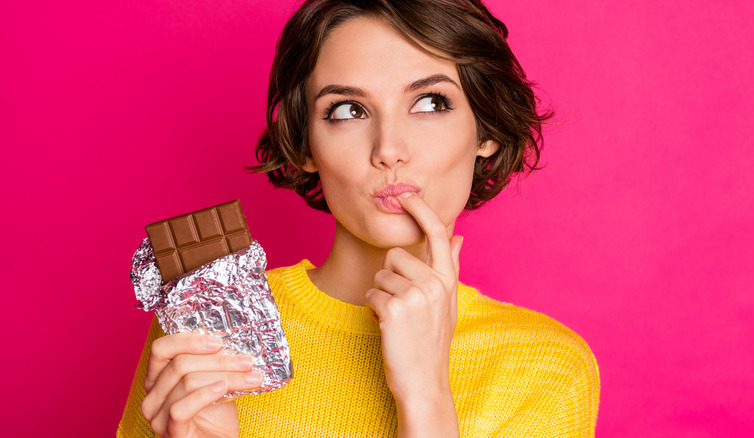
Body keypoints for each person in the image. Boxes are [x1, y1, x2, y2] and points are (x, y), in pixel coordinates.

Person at [118, 0, 600, 436]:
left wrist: (426, 395)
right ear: (305, 143)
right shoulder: (204, 332)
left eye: (431, 103)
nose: (389, 149)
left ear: (485, 132)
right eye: (348, 110)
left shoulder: (545, 367)